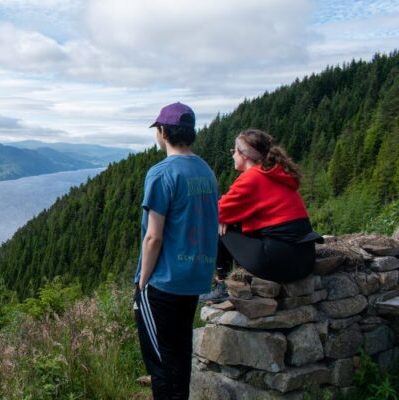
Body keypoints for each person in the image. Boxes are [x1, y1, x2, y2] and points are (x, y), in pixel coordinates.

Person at [133, 102, 218, 400]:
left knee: (159, 361)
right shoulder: (205, 170)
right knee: (180, 354)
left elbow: (153, 237)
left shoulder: (161, 173)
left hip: (163, 281)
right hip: (194, 277)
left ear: (163, 132)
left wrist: (143, 281)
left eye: (157, 129)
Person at [200, 128, 323, 302]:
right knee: (226, 221)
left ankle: (223, 286)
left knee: (217, 226)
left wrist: (223, 219)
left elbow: (212, 214)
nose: (232, 155)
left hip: (280, 262)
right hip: (304, 260)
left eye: (234, 151)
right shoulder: (278, 174)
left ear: (244, 155)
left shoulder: (251, 178)